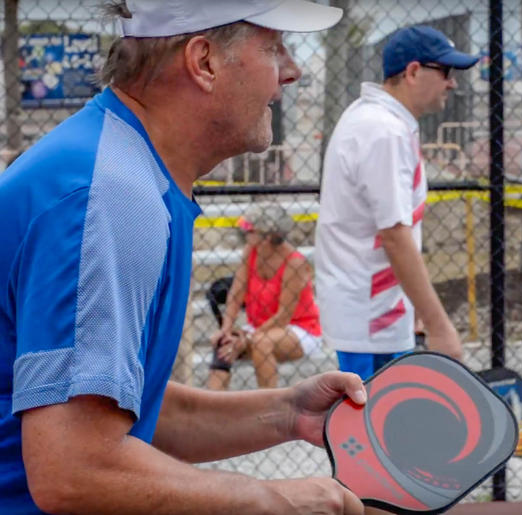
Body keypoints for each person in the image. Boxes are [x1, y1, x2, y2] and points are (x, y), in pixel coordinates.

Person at [0, 1, 366, 514]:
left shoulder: (122, 165)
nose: (292, 69)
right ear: (205, 61)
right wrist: (270, 500)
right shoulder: (112, 196)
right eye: (274, 46)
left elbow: (121, 409)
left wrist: (288, 412)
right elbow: (75, 468)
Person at [315, 25, 478, 380]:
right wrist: (439, 325)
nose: (453, 83)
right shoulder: (382, 131)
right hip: (372, 321)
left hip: (375, 314)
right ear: (414, 72)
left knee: (381, 429)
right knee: (374, 430)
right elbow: (394, 236)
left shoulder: (377, 120)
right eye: (446, 71)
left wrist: (413, 308)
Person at [207, 204, 322, 390]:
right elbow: (236, 293)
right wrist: (227, 330)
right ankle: (212, 405)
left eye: (248, 229)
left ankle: (268, 405)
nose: (243, 233)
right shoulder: (251, 251)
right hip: (259, 327)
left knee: (261, 343)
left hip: (297, 328)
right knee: (223, 344)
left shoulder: (294, 263)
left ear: (268, 237)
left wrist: (248, 338)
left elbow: (284, 317)